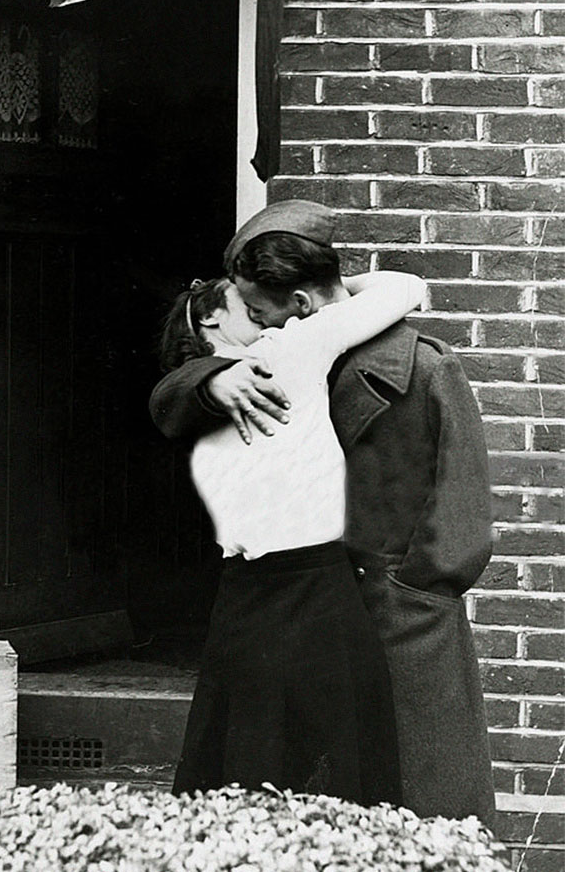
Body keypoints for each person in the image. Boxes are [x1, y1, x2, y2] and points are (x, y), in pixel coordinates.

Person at [151, 199, 496, 827]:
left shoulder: (419, 366)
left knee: (425, 814)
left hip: (401, 618)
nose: (252, 324)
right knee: (309, 810)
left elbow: (463, 510)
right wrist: (209, 379)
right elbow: (179, 378)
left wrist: (417, 590)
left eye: (257, 311)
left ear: (301, 306)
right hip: (313, 610)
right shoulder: (266, 361)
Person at [160, 257, 427, 806]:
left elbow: (169, 395)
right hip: (299, 588)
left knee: (247, 765)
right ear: (210, 321)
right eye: (249, 304)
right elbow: (405, 287)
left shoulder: (206, 389)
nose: (269, 312)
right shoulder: (288, 351)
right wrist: (327, 289)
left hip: (264, 592)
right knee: (329, 768)